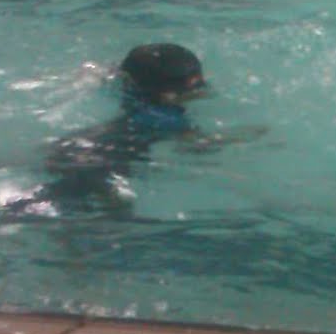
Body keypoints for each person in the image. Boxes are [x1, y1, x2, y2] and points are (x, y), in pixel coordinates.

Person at [32, 43, 212, 215]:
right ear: (168, 95)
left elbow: (103, 72)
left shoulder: (128, 85)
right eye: (198, 85)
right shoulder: (170, 118)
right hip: (97, 167)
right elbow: (198, 147)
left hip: (71, 147)